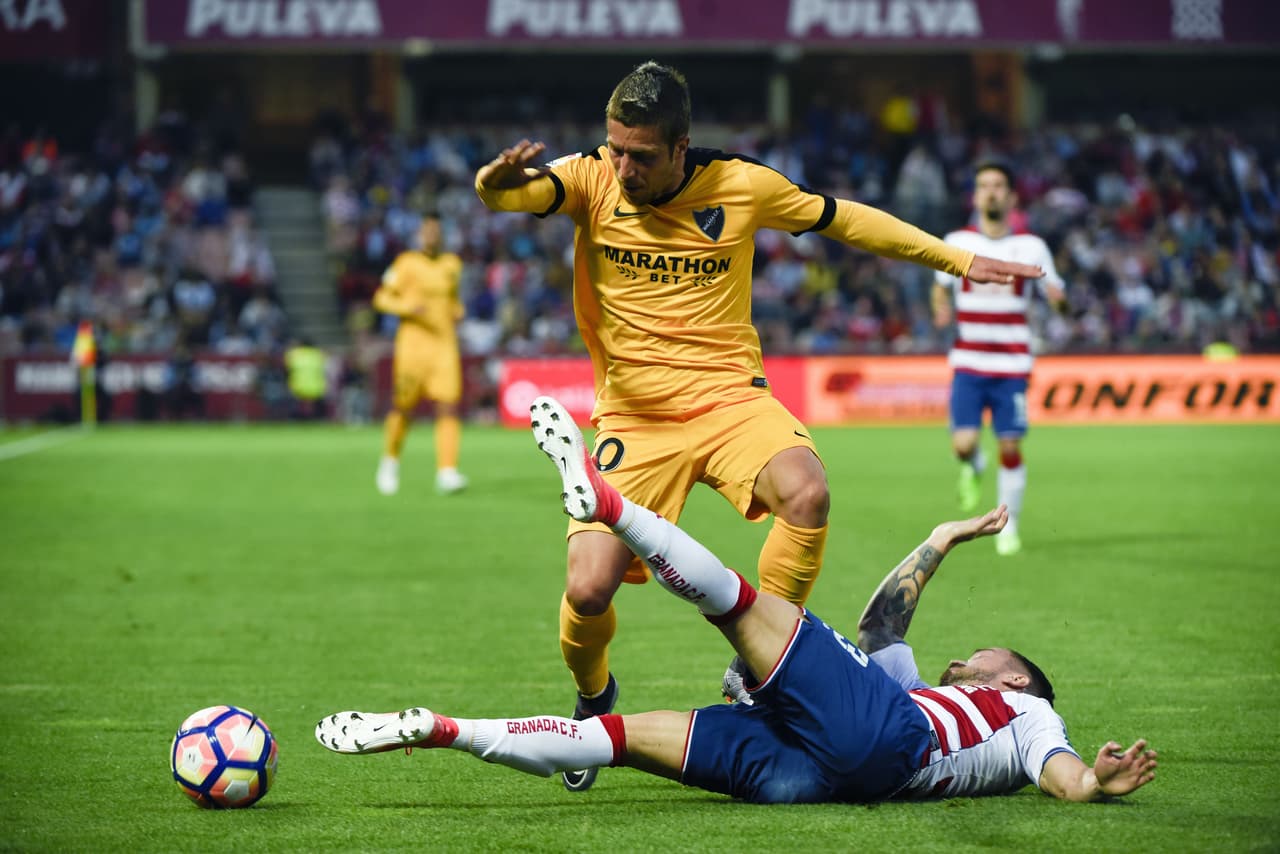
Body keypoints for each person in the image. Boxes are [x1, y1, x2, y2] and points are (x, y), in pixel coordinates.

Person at [473, 61, 1045, 790]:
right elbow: (516, 194)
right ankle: (593, 696)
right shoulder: (589, 178)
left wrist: (957, 259)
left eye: (641, 155)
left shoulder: (741, 185)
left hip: (728, 401)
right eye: (615, 148)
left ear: (681, 147)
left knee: (807, 492)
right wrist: (494, 182)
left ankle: (765, 661)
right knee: (587, 592)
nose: (623, 168)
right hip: (635, 417)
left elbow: (847, 219)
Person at [316, 395, 1157, 804]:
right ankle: (442, 730)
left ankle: (607, 503)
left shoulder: (1028, 715)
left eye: (991, 656)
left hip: (887, 742)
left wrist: (1094, 782)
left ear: (1016, 678)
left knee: (739, 606)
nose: (972, 654)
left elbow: (1060, 773)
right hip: (822, 773)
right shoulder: (921, 691)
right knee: (614, 740)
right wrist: (939, 540)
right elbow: (884, 625)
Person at [931, 158, 1065, 556]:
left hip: (1012, 365)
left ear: (1011, 197)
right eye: (983, 186)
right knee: (963, 444)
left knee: (1010, 446)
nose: (990, 192)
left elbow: (1057, 296)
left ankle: (1009, 528)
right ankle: (973, 465)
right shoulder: (957, 241)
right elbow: (939, 283)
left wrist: (1060, 301)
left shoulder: (1031, 247)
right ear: (975, 196)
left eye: (997, 186)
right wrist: (940, 306)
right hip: (969, 362)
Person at [372, 213, 467, 496]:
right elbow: (381, 298)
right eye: (427, 231)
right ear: (419, 234)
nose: (431, 236)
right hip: (412, 347)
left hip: (444, 346)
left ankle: (447, 471)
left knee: (448, 406)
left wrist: (456, 310)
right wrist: (407, 307)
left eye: (436, 231)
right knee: (404, 407)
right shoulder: (406, 263)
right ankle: (390, 461)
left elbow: (452, 300)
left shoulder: (452, 264)